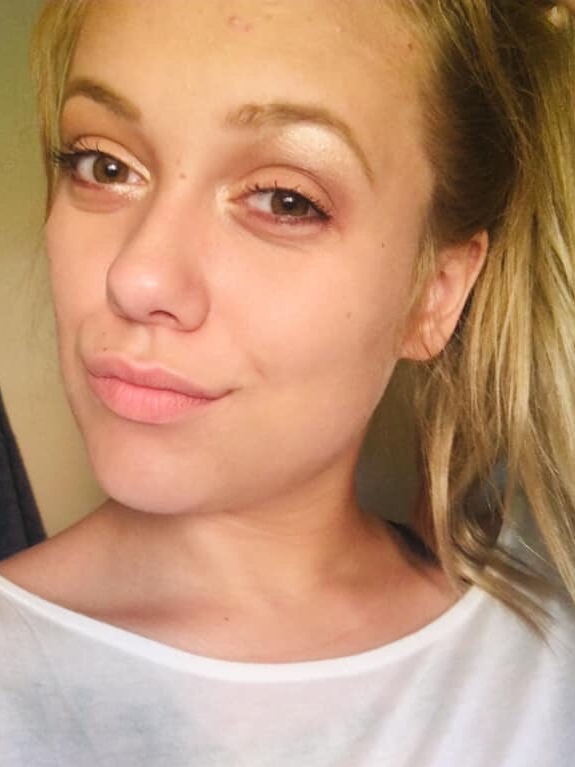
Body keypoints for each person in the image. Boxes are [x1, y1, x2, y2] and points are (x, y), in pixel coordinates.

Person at [0, 1, 574, 764]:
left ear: (435, 293)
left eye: (284, 200)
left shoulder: (544, 672)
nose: (136, 277)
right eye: (103, 165)